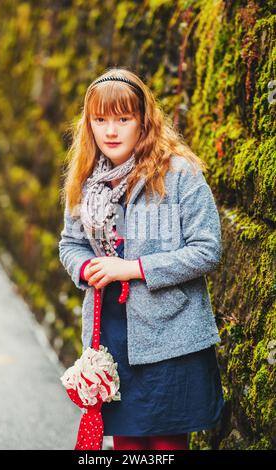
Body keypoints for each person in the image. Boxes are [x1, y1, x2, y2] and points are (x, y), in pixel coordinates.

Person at [58, 67, 226, 451]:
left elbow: (207, 249)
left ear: (143, 121)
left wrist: (131, 269)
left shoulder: (179, 173)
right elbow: (70, 244)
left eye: (123, 118)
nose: (110, 131)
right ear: (89, 124)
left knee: (167, 445)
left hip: (171, 338)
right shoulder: (85, 180)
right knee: (126, 445)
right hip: (111, 340)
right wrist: (86, 267)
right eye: (100, 120)